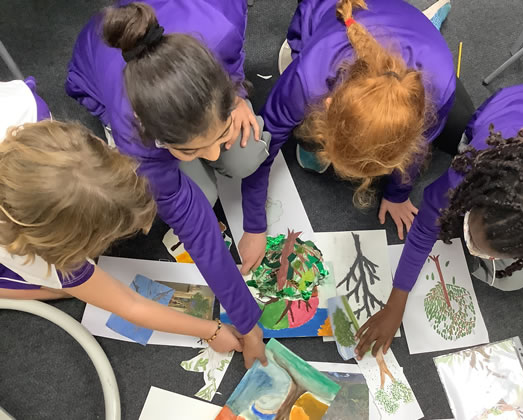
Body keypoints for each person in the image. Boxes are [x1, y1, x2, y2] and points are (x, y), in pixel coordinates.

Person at [355, 83, 523, 357]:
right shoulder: (466, 175)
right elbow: (423, 231)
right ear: (473, 196)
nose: (478, 251)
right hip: (502, 121)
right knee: (512, 281)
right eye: (471, 239)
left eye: (482, 249)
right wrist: (396, 303)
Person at [66, 0, 269, 367]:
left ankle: (205, 132)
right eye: (191, 150)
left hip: (198, 82)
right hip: (103, 81)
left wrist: (237, 94)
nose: (211, 156)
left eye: (217, 136)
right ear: (157, 137)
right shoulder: (135, 133)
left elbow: (233, 62)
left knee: (246, 154)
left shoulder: (223, 29)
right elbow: (197, 231)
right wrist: (249, 324)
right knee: (201, 199)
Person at [0, 79, 242, 353]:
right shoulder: (25, 252)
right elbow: (128, 303)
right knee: (64, 288)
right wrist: (211, 330)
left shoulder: (27, 106)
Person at [243, 0, 473, 272]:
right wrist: (254, 224)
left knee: (462, 125)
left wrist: (398, 193)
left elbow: (417, 147)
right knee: (300, 121)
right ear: (327, 105)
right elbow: (264, 143)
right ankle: (297, 54)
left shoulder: (436, 96)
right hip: (332, 10)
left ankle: (426, 22)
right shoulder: (309, 78)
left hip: (425, 47)